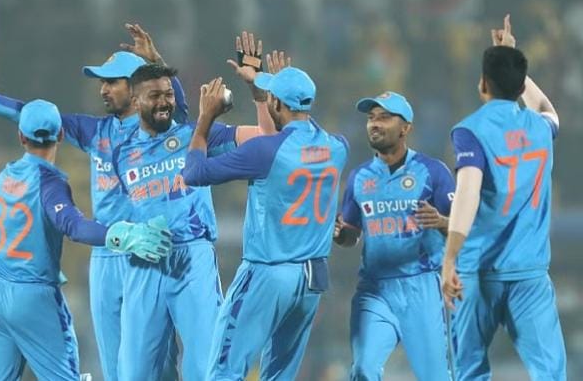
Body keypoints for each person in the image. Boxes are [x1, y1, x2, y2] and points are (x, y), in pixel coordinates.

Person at [0, 23, 185, 381]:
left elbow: (182, 114)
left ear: (138, 88)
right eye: (102, 82)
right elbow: (29, 113)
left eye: (111, 82)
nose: (102, 89)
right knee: (114, 367)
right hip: (106, 256)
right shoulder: (95, 131)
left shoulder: (161, 130)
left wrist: (157, 63)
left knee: (157, 364)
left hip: (145, 253)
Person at [111, 31, 277, 381]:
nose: (164, 102)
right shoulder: (122, 152)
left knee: (206, 369)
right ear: (135, 101)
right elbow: (125, 213)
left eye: (169, 95)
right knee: (135, 374)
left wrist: (258, 92)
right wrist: (124, 234)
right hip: (143, 264)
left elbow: (268, 139)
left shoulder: (198, 136)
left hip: (193, 260)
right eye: (154, 96)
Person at [0, 98, 171, 380]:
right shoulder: (50, 183)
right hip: (33, 298)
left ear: (21, 137)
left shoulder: (2, 177)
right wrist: (125, 235)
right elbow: (75, 227)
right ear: (61, 135)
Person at [182, 62, 349, 380]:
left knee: (225, 372)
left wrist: (205, 119)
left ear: (277, 103)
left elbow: (194, 173)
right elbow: (287, 140)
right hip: (312, 280)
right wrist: (263, 90)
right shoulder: (338, 146)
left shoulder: (264, 151)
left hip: (268, 274)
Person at [441, 15, 566, 381]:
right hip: (530, 274)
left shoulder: (470, 131)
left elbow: (467, 195)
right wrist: (514, 61)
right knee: (551, 374)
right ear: (520, 85)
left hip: (478, 272)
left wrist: (449, 259)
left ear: (483, 83)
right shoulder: (541, 129)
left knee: (468, 371)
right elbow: (547, 109)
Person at [334, 92, 454, 380]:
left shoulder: (432, 171)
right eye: (371, 118)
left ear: (405, 128)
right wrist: (340, 235)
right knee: (363, 369)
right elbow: (351, 235)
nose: (375, 124)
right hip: (375, 289)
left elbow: (466, 228)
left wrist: (441, 222)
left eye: (385, 117)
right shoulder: (359, 177)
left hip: (421, 288)